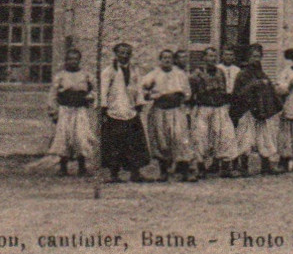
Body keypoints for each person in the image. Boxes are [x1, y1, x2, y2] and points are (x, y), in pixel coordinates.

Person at [141, 49, 196, 182]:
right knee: (162, 141)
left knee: (179, 138)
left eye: (169, 58)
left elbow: (187, 92)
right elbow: (143, 90)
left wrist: (179, 97)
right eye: (164, 58)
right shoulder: (153, 75)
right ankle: (164, 171)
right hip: (159, 111)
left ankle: (185, 171)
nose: (167, 60)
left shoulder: (180, 74)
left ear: (173, 60)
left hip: (176, 111)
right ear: (160, 60)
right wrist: (155, 95)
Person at [98, 42, 149, 182]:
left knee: (134, 143)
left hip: (130, 110)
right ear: (116, 54)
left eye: (127, 53)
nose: (124, 55)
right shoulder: (109, 71)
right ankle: (114, 174)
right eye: (121, 52)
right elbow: (103, 90)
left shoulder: (134, 71)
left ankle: (135, 172)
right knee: (114, 143)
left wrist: (139, 103)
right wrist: (103, 107)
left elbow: (138, 88)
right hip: (114, 110)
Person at [189, 47, 238, 179]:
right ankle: (200, 167)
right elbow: (191, 93)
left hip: (219, 108)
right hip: (203, 108)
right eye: (209, 56)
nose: (212, 59)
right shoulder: (196, 74)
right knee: (200, 137)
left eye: (214, 56)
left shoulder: (220, 72)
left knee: (226, 135)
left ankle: (226, 167)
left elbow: (223, 90)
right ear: (204, 58)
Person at [232, 44, 281, 176]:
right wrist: (253, 85)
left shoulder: (263, 74)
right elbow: (238, 94)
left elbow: (270, 91)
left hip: (261, 111)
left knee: (264, 138)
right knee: (245, 138)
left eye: (259, 56)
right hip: (247, 111)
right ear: (248, 58)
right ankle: (243, 166)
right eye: (254, 56)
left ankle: (266, 165)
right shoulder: (242, 75)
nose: (256, 59)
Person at [47, 47, 96, 177]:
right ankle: (63, 167)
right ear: (66, 61)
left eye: (75, 59)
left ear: (79, 60)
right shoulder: (60, 76)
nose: (72, 62)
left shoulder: (86, 75)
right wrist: (53, 111)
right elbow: (53, 94)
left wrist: (89, 97)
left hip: (80, 109)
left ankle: (82, 167)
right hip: (65, 109)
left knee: (80, 137)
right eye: (70, 59)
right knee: (64, 137)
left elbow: (94, 90)